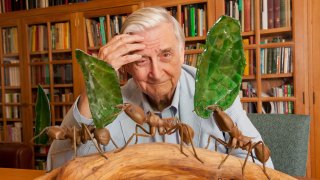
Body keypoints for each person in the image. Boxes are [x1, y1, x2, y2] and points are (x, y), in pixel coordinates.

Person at [47, 6, 274, 171]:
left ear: (183, 53)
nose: (156, 72)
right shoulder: (114, 102)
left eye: (166, 55)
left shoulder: (215, 93)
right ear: (126, 65)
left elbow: (260, 165)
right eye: (141, 61)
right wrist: (96, 82)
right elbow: (57, 168)